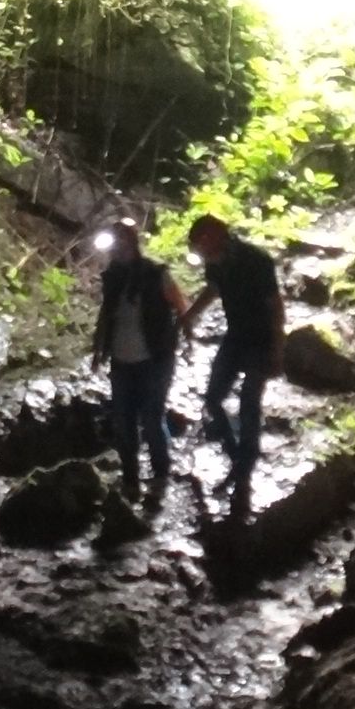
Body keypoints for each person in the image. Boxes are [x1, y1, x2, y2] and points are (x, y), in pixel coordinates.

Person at [181, 214, 283, 513]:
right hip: (235, 337)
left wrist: (278, 348)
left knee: (249, 404)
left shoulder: (255, 259)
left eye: (200, 242)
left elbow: (275, 306)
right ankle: (237, 457)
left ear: (214, 235)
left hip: (260, 339)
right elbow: (214, 289)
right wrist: (190, 315)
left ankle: (243, 473)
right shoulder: (216, 263)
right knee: (213, 399)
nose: (198, 249)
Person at [90, 218, 189, 503]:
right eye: (114, 242)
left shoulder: (156, 273)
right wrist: (98, 350)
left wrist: (183, 340)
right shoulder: (113, 277)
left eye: (122, 241)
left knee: (152, 417)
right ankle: (131, 479)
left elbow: (180, 306)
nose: (117, 248)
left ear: (132, 243)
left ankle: (160, 474)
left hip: (155, 360)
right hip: (121, 361)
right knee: (123, 422)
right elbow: (106, 314)